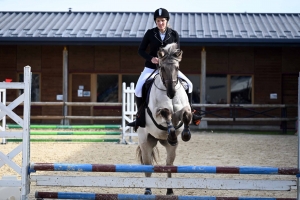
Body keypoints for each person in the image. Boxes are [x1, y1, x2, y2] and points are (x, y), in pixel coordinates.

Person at [127, 8, 201, 131]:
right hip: (151, 68)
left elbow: (177, 53)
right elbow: (140, 50)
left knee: (190, 84)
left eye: (162, 20)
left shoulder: (174, 34)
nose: (160, 23)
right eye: (158, 21)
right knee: (138, 89)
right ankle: (140, 117)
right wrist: (151, 59)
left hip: (169, 69)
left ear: (166, 21)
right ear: (155, 21)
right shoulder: (150, 33)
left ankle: (191, 112)